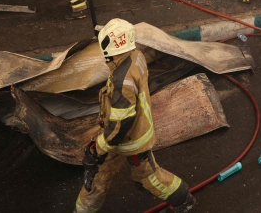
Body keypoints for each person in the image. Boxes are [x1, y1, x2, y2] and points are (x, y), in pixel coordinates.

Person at [75, 18, 196, 213]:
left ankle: (184, 200)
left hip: (131, 141)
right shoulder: (135, 55)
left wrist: (98, 147)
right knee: (98, 175)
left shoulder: (122, 79)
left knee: (148, 178)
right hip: (120, 135)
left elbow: (121, 122)